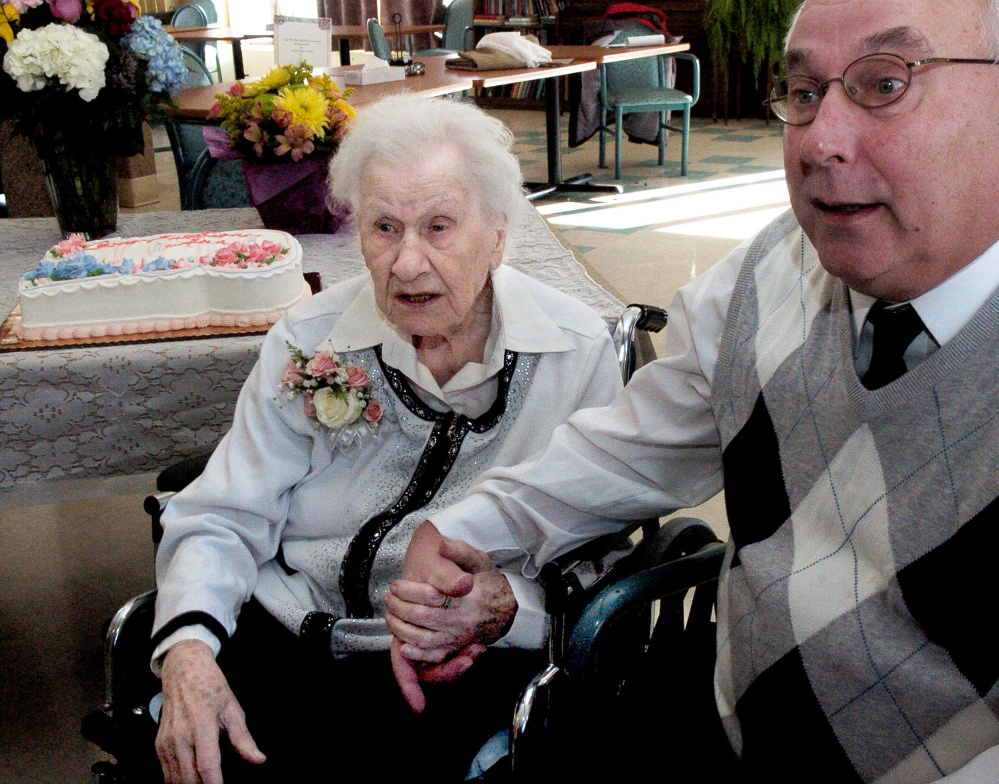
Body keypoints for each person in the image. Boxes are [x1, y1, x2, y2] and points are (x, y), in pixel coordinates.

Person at [388, 0, 999, 781]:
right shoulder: (766, 275)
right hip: (718, 718)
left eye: (884, 84)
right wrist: (468, 530)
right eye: (805, 94)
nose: (820, 142)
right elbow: (623, 451)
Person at [150, 94, 623, 783]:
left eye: (438, 227)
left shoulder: (573, 353)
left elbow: (599, 558)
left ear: (496, 233)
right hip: (287, 634)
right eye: (383, 227)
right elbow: (225, 512)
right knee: (205, 753)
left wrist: (505, 609)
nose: (404, 264)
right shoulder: (309, 339)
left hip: (458, 660)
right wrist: (189, 652)